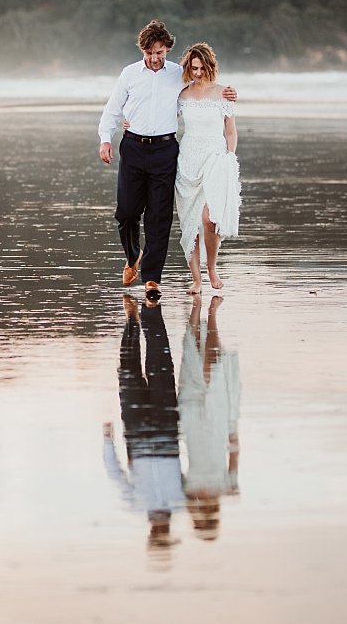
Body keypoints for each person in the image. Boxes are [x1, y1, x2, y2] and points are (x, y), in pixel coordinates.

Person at [98, 21, 234, 298]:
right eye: (149, 52)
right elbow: (112, 110)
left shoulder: (178, 74)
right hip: (133, 147)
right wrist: (105, 139)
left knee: (159, 217)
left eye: (159, 52)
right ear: (143, 50)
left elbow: (204, 88)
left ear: (167, 50)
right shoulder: (129, 74)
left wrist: (230, 95)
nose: (154, 58)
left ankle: (152, 279)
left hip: (165, 151)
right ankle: (132, 254)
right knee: (126, 212)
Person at [102, 294, 183, 559]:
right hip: (160, 433)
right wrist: (107, 442)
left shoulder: (140, 505)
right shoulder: (179, 503)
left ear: (152, 533)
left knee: (131, 371)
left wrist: (107, 441)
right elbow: (115, 473)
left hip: (146, 435)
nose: (161, 529)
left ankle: (134, 320)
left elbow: (115, 474)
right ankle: (147, 314)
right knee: (154, 367)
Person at [174, 43, 240, 293]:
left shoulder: (224, 93)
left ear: (210, 67)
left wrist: (228, 159)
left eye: (202, 68)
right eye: (193, 69)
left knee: (209, 219)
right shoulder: (181, 96)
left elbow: (231, 132)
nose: (198, 73)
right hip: (188, 161)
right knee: (190, 222)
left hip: (215, 160)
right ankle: (197, 279)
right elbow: (161, 118)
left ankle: (212, 269)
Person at [177, 294, 240, 541]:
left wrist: (192, 505)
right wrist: (233, 430)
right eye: (208, 517)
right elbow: (234, 456)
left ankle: (195, 315)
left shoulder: (187, 491)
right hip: (216, 426)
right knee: (212, 369)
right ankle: (212, 315)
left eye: (201, 518)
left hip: (192, 426)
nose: (202, 512)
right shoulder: (227, 487)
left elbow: (175, 467)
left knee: (193, 367)